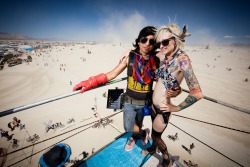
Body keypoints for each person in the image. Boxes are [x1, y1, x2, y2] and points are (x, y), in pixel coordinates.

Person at [73, 26, 166, 151]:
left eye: (151, 41)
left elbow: (169, 54)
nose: (147, 44)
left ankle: (135, 136)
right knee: (128, 126)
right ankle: (143, 133)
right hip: (129, 102)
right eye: (144, 40)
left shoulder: (156, 60)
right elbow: (112, 74)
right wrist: (91, 81)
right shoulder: (130, 57)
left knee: (138, 124)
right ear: (138, 41)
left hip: (144, 103)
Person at [141, 24, 203, 167]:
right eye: (159, 43)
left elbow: (198, 93)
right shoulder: (165, 56)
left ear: (174, 41)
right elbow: (146, 55)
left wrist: (175, 108)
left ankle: (166, 159)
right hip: (153, 105)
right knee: (154, 136)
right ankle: (152, 148)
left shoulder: (182, 59)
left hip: (163, 109)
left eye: (165, 42)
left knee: (157, 137)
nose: (161, 46)